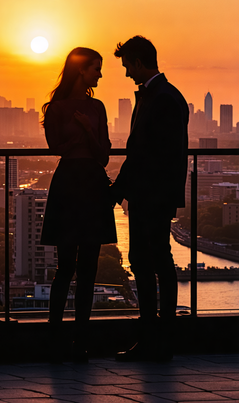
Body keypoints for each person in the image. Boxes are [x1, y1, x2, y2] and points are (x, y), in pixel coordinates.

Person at [112, 35, 189, 362]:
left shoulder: (162, 99)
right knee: (149, 262)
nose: (127, 73)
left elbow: (155, 155)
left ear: (139, 62)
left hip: (152, 198)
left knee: (153, 262)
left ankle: (157, 340)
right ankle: (156, 339)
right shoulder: (159, 96)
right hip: (149, 197)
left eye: (128, 65)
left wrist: (121, 190)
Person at [41, 47, 117, 363]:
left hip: (91, 182)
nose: (100, 74)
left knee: (88, 269)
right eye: (96, 68)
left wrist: (86, 130)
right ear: (81, 71)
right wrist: (80, 136)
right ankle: (56, 339)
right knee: (66, 268)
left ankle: (79, 341)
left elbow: (103, 156)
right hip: (70, 184)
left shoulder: (97, 108)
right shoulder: (55, 109)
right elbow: (55, 147)